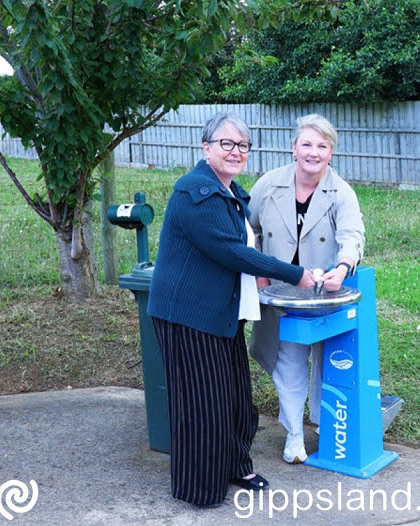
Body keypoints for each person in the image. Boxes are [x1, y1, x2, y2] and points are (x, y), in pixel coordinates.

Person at [147, 112, 317, 508]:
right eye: (227, 143)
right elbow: (230, 251)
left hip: (221, 313)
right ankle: (201, 487)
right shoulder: (194, 191)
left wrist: (262, 276)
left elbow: (245, 243)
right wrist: (295, 274)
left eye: (242, 145)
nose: (235, 151)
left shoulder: (228, 189)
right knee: (202, 405)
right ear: (206, 148)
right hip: (187, 315)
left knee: (237, 400)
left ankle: (236, 466)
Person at [248, 113, 365, 464]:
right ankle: (294, 435)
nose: (313, 152)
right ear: (294, 147)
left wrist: (343, 268)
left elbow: (352, 236)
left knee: (326, 361)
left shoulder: (341, 191)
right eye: (307, 144)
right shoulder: (268, 185)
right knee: (289, 361)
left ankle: (324, 423)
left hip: (323, 295)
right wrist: (259, 274)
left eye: (322, 146)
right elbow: (247, 228)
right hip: (279, 294)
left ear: (331, 152)